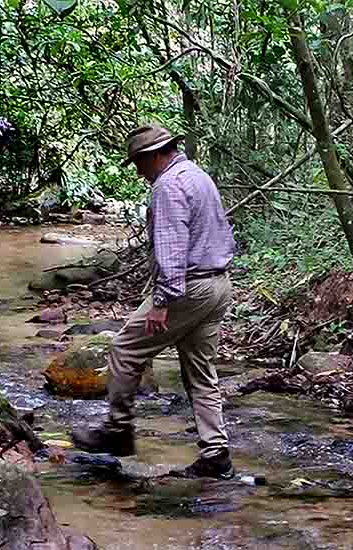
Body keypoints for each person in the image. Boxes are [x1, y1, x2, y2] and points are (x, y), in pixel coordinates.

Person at [72, 124, 237, 479]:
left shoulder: (168, 185)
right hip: (218, 284)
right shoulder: (198, 175)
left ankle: (118, 431)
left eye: (138, 163)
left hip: (187, 289)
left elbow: (171, 246)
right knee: (201, 374)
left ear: (154, 156)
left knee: (124, 350)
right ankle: (216, 452)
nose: (137, 171)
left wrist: (162, 300)